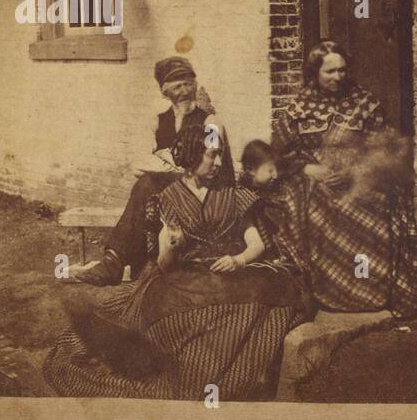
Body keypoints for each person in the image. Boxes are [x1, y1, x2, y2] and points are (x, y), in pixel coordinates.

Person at [44, 125, 308, 400]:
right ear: (193, 157)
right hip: (188, 276)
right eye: (211, 155)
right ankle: (193, 373)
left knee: (263, 291)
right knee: (171, 307)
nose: (218, 162)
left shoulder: (232, 193)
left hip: (234, 273)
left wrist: (238, 260)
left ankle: (223, 371)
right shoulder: (169, 198)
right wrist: (172, 246)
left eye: (219, 155)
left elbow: (257, 244)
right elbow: (165, 265)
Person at [261, 40, 417, 319]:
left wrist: (355, 171)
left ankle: (367, 293)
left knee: (372, 204)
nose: (338, 77)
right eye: (330, 72)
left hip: (359, 178)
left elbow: (384, 148)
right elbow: (278, 153)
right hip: (316, 181)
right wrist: (309, 169)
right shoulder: (298, 108)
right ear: (314, 72)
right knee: (315, 207)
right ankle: (328, 293)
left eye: (342, 70)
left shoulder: (364, 102)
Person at [73, 56, 234, 286]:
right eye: (177, 86)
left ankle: (114, 262)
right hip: (172, 189)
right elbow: (137, 164)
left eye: (188, 83)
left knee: (147, 184)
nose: (185, 90)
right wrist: (178, 163)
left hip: (207, 190)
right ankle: (122, 263)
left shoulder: (211, 122)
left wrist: (164, 158)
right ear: (165, 92)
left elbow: (210, 159)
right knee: (147, 184)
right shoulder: (157, 121)